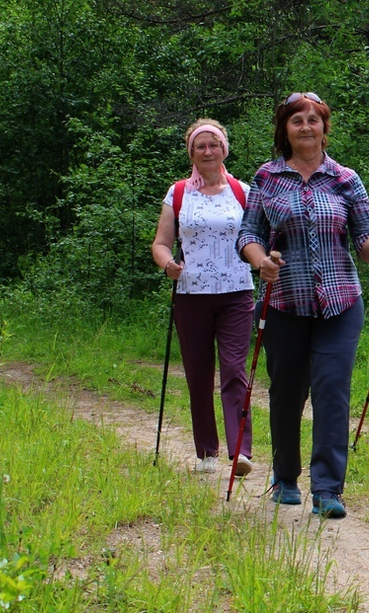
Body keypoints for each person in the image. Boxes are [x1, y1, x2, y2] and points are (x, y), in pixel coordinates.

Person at [236, 92, 369, 519]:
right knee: (287, 392)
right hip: (284, 301)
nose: (306, 127)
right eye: (296, 121)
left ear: (325, 128)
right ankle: (285, 477)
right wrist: (261, 262)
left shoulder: (345, 178)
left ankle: (328, 488)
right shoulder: (267, 177)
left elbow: (364, 245)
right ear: (284, 130)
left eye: (313, 120)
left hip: (340, 303)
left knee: (331, 391)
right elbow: (248, 235)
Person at [150, 118, 255, 477]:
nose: (207, 151)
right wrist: (168, 266)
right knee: (198, 373)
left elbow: (258, 237)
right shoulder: (178, 192)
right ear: (191, 153)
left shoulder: (243, 191)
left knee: (234, 369)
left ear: (224, 148)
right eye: (200, 146)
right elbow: (161, 243)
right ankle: (207, 452)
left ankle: (240, 450)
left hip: (237, 293)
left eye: (214, 144)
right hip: (191, 293)